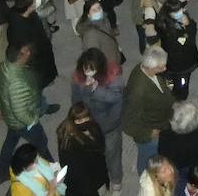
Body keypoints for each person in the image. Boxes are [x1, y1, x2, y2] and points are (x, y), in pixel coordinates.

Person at [0, 43, 53, 181]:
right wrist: (34, 120)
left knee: (10, 141)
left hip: (10, 117)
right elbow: (20, 112)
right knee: (41, 143)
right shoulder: (18, 81)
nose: (29, 52)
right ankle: (53, 170)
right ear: (19, 57)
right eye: (26, 51)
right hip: (23, 122)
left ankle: (1, 173)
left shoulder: (2, 67)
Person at [71, 47, 126, 195]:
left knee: (112, 155)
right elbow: (76, 101)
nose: (88, 73)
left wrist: (97, 90)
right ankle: (101, 181)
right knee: (94, 156)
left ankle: (116, 182)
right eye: (85, 69)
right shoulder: (78, 77)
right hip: (90, 126)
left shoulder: (113, 77)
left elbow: (117, 100)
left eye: (92, 69)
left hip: (109, 127)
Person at [123, 46, 175, 174]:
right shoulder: (138, 91)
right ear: (150, 67)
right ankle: (143, 175)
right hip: (150, 133)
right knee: (147, 158)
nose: (165, 69)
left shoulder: (143, 68)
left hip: (158, 122)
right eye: (161, 67)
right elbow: (128, 123)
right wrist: (149, 133)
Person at [56, 102, 110, 196]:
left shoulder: (93, 126)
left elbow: (100, 147)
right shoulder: (69, 145)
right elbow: (78, 176)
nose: (84, 122)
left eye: (86, 118)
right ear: (73, 121)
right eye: (79, 120)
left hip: (97, 171)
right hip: (87, 181)